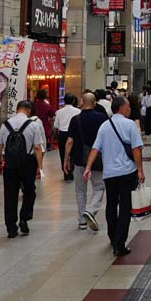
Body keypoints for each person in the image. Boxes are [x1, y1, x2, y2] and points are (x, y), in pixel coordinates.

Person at [84, 96, 145, 256]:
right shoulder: (130, 124)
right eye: (128, 106)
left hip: (109, 173)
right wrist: (140, 170)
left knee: (111, 205)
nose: (130, 109)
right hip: (127, 172)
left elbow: (95, 149)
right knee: (125, 207)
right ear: (121, 108)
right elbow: (136, 149)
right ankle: (119, 243)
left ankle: (112, 237)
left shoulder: (104, 126)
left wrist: (88, 167)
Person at [0, 100, 45, 238]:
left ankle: (11, 228)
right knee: (29, 191)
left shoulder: (6, 125)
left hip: (10, 163)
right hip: (28, 163)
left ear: (17, 110)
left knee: (10, 194)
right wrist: (40, 167)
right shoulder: (34, 125)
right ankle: (24, 218)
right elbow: (37, 147)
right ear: (28, 110)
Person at [65, 93, 108, 231]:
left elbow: (70, 141)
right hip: (97, 159)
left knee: (80, 190)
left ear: (82, 102)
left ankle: (82, 220)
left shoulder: (75, 119)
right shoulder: (102, 118)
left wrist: (66, 159)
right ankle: (91, 210)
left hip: (79, 159)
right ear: (94, 103)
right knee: (99, 187)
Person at [54, 94, 80, 180]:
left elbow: (56, 125)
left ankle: (65, 172)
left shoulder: (59, 112)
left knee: (63, 153)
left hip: (62, 134)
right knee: (73, 152)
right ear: (73, 101)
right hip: (73, 134)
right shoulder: (77, 111)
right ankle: (71, 169)